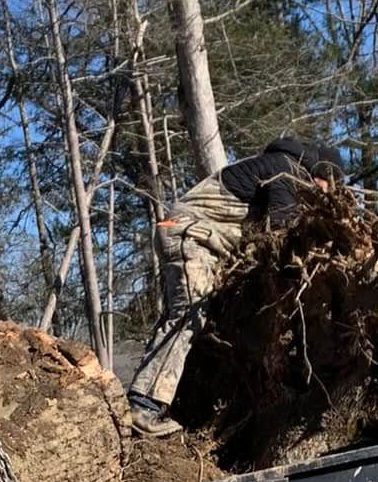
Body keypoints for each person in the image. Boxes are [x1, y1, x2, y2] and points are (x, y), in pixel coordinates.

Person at [128, 133, 346, 434]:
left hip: (193, 236)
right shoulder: (287, 171)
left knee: (192, 318)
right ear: (323, 174)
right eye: (329, 186)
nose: (326, 195)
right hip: (190, 234)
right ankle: (143, 407)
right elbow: (282, 230)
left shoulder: (278, 165)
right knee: (189, 316)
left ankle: (168, 402)